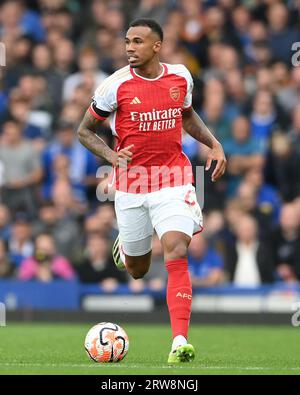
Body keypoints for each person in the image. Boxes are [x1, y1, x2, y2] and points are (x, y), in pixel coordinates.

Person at [77, 18, 226, 364]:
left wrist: (214, 144)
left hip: (173, 178)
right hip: (132, 186)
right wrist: (112, 155)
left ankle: (179, 342)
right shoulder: (114, 86)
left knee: (176, 248)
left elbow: (187, 116)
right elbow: (84, 131)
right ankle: (126, 249)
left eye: (138, 41)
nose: (130, 47)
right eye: (127, 41)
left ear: (156, 46)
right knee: (138, 269)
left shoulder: (180, 77)